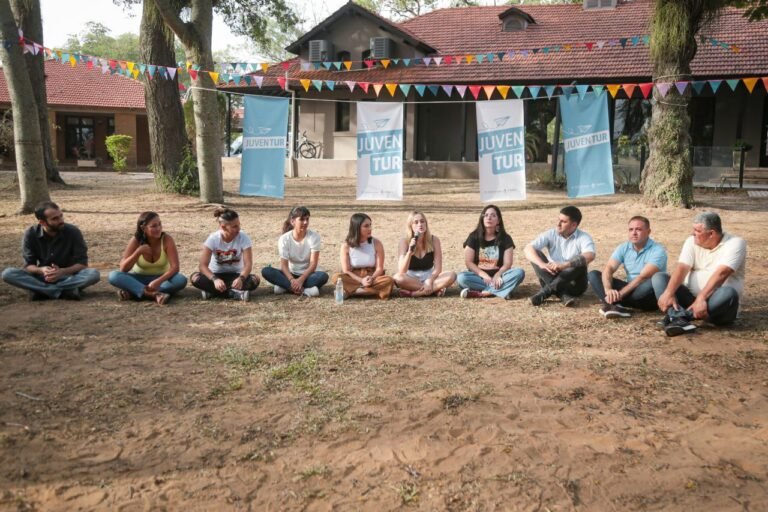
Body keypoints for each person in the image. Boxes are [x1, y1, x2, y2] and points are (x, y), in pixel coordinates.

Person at [652, 212, 746, 337]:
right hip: (691, 301)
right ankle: (679, 318)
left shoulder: (735, 243)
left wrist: (701, 298)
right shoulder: (691, 241)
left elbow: (722, 274)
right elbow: (682, 267)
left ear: (711, 233)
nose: (693, 233)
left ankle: (679, 318)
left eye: (697, 231)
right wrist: (669, 292)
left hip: (717, 306)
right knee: (660, 278)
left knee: (728, 293)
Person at [2, 201, 100, 300]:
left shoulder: (73, 232)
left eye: (61, 216)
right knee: (8, 273)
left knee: (93, 274)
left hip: (68, 277)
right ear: (42, 222)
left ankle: (43, 291)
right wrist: (42, 270)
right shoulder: (31, 234)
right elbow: (29, 266)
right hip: (42, 278)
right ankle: (65, 292)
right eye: (55, 219)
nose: (61, 220)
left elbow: (82, 264)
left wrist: (62, 272)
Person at [587, 216, 667, 318]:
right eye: (631, 229)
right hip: (630, 290)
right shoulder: (624, 247)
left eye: (638, 229)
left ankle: (616, 303)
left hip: (647, 296)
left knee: (649, 282)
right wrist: (608, 290)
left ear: (648, 231)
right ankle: (614, 305)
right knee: (593, 274)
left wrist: (620, 294)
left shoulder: (658, 250)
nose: (634, 233)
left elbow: (643, 278)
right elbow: (609, 268)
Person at [108, 211, 187, 305]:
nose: (158, 228)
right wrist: (137, 253)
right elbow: (123, 268)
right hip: (139, 278)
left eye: (159, 224)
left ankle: (135, 292)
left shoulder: (167, 239)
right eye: (153, 226)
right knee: (113, 275)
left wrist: (158, 281)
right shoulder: (136, 241)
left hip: (162, 278)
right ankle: (154, 294)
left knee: (180, 279)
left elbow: (175, 267)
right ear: (143, 228)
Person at [524, 205, 595, 307]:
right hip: (551, 276)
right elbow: (528, 248)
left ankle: (544, 293)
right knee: (536, 253)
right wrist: (542, 264)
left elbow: (590, 255)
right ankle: (563, 295)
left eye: (563, 222)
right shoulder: (551, 233)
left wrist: (564, 265)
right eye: (558, 220)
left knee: (580, 262)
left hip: (574, 285)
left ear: (574, 225)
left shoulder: (584, 237)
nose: (558, 224)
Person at [456, 205, 525, 299]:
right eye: (486, 215)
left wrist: (497, 275)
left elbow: (507, 264)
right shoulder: (473, 237)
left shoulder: (506, 238)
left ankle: (484, 293)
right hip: (479, 277)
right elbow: (469, 263)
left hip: (501, 277)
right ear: (482, 218)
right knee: (461, 278)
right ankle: (504, 290)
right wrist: (485, 276)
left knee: (519, 272)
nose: (489, 217)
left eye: (493, 215)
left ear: (498, 220)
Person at [190, 207, 260, 301]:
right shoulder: (213, 239)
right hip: (216, 275)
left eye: (239, 225)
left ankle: (213, 293)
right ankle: (234, 293)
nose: (238, 229)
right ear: (223, 227)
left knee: (255, 279)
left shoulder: (244, 237)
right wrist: (215, 280)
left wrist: (241, 278)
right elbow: (202, 266)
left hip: (236, 275)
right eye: (234, 226)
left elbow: (248, 264)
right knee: (195, 278)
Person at [261, 206, 329, 297]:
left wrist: (301, 279)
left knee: (323, 276)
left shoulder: (314, 237)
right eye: (301, 219)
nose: (305, 222)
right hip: (290, 274)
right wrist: (292, 280)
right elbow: (284, 266)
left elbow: (313, 264)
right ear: (292, 221)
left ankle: (285, 287)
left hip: (308, 275)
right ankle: (305, 291)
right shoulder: (284, 239)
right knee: (266, 271)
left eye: (307, 219)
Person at [393, 211, 456, 297]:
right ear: (410, 226)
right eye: (416, 222)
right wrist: (409, 252)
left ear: (426, 224)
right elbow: (402, 271)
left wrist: (429, 281)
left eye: (422, 221)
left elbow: (438, 268)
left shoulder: (434, 240)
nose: (420, 224)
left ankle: (415, 293)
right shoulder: (404, 242)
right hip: (411, 277)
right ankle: (434, 290)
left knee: (452, 275)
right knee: (397, 278)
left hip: (429, 275)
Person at [331, 213, 394, 299]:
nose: (370, 228)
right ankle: (371, 292)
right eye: (366, 226)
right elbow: (346, 270)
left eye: (370, 225)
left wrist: (371, 278)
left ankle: (353, 292)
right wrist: (361, 280)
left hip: (372, 276)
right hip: (354, 277)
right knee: (336, 277)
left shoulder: (376, 243)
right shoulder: (346, 246)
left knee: (389, 280)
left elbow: (380, 268)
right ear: (356, 228)